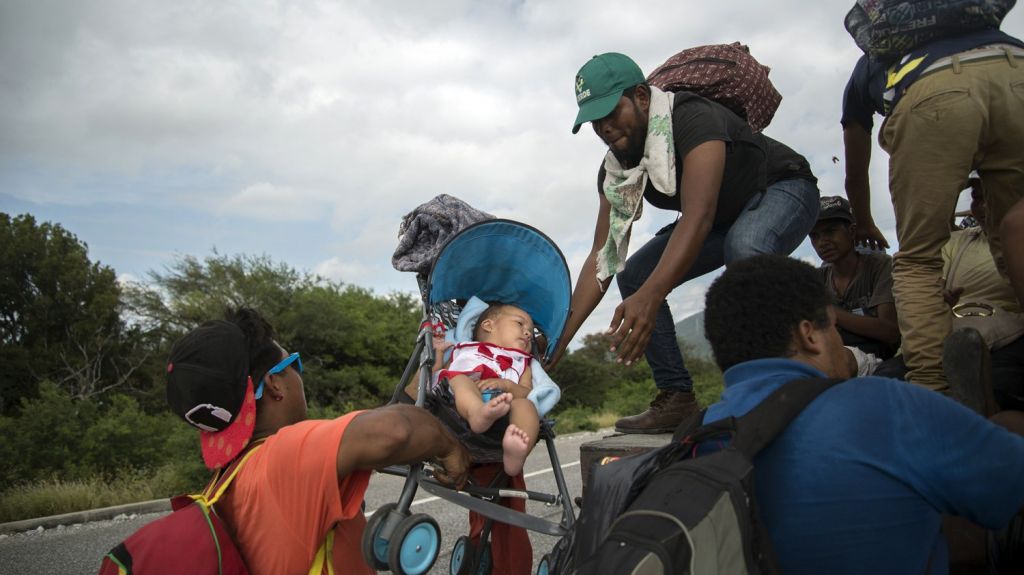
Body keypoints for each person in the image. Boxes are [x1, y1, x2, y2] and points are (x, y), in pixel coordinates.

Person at [701, 254, 1024, 574]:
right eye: (834, 327)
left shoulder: (695, 435)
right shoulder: (881, 401)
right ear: (809, 335)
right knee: (1010, 427)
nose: (839, 340)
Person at [551, 51, 820, 434]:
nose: (605, 129)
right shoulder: (617, 171)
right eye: (595, 121)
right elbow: (603, 256)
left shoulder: (693, 117)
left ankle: (786, 385)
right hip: (723, 219)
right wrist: (559, 341)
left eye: (612, 113)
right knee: (637, 274)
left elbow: (699, 215)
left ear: (642, 97)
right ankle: (677, 398)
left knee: (744, 251)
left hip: (782, 188)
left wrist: (652, 296)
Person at [165, 307, 470, 575]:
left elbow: (387, 418)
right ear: (274, 384)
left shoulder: (229, 481)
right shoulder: (281, 459)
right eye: (293, 364)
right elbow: (396, 430)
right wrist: (450, 447)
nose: (300, 376)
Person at [841, 27, 1024, 391]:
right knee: (1016, 232)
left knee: (918, 260)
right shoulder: (987, 31)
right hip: (1016, 69)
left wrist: (863, 221)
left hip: (933, 92)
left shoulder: (870, 64)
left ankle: (932, 389)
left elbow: (856, 174)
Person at [942, 177, 1024, 412]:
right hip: (947, 328)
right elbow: (931, 283)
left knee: (1002, 388)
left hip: (1010, 336)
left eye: (992, 195)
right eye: (978, 197)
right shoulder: (957, 242)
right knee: (889, 379)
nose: (985, 205)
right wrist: (937, 296)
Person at [436, 302, 538, 477]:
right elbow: (439, 376)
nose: (528, 333)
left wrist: (508, 386)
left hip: (504, 420)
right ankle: (477, 413)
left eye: (531, 331)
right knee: (458, 378)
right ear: (488, 325)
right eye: (520, 324)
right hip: (456, 411)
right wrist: (437, 355)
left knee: (526, 405)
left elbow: (528, 392)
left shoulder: (522, 363)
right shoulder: (465, 349)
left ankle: (515, 456)